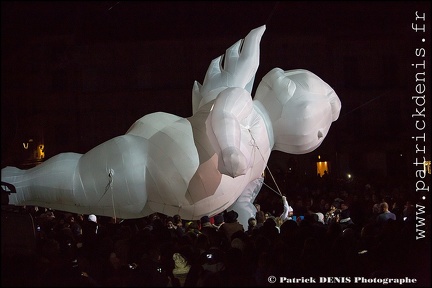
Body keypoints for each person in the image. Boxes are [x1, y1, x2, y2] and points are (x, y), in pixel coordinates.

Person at [1, 25, 341, 231]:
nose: (318, 135)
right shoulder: (243, 101)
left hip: (162, 196)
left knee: (84, 197)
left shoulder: (264, 155)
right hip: (152, 163)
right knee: (81, 180)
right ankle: (17, 184)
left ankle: (19, 191)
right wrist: (230, 149)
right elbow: (223, 115)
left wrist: (245, 207)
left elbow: (249, 189)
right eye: (320, 125)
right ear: (285, 87)